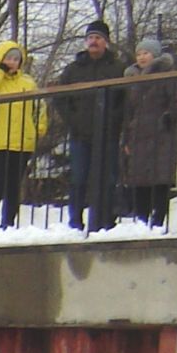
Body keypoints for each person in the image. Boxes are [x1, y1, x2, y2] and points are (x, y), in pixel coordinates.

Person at [56, 19, 127, 232]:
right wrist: (73, 120)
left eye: (97, 38)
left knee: (108, 178)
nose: (93, 41)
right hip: (81, 134)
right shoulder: (73, 69)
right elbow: (60, 98)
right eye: (90, 38)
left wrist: (113, 119)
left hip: (108, 133)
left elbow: (125, 99)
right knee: (78, 177)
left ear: (106, 42)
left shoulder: (118, 68)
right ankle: (75, 222)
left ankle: (105, 221)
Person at [0, 39, 47, 232]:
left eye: (16, 58)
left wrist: (39, 127)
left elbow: (39, 106)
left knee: (13, 184)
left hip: (22, 141)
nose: (13, 62)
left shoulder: (28, 82)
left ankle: (9, 222)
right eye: (9, 58)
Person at [121, 36, 177, 229]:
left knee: (159, 180)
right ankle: (141, 221)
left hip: (161, 135)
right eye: (139, 53)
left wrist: (169, 116)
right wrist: (126, 138)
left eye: (146, 53)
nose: (141, 57)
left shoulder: (166, 75)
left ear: (155, 55)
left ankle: (157, 222)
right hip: (138, 135)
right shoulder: (132, 79)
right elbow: (127, 111)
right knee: (139, 181)